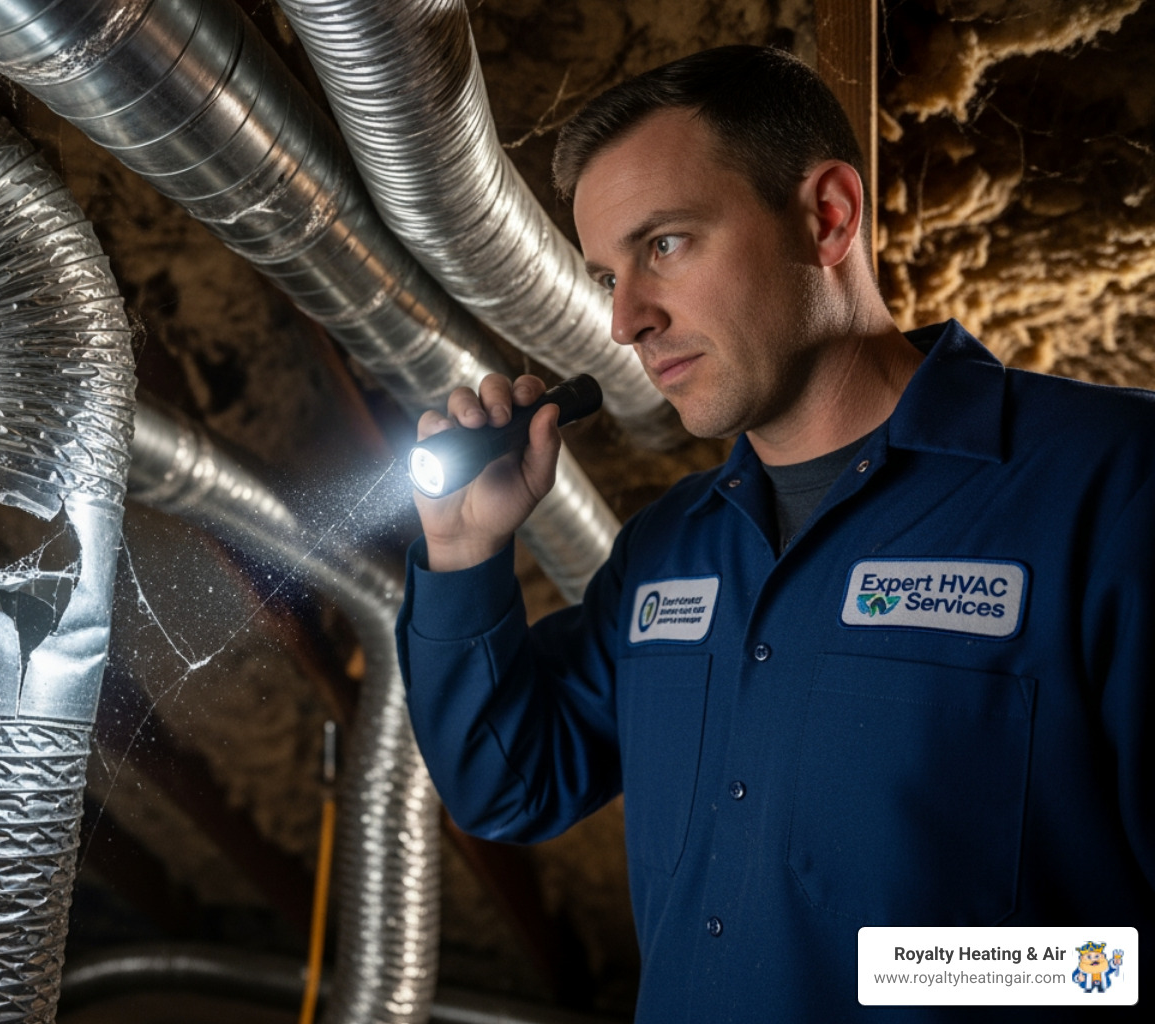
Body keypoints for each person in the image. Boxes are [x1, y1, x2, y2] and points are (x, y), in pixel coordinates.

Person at [395, 45, 1153, 1021]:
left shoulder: (1110, 487)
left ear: (828, 216)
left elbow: (1114, 963)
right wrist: (464, 552)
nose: (627, 318)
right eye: (606, 272)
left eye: (665, 243)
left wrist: (910, 971)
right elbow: (509, 786)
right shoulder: (671, 551)